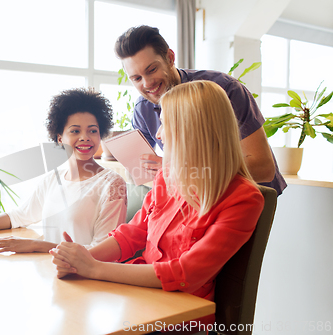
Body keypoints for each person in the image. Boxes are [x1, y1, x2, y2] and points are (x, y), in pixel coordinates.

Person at [50, 81, 265, 329]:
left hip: (180, 318)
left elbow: (186, 274)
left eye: (165, 124)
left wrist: (94, 268)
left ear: (191, 131)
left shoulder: (243, 198)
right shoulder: (167, 176)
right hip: (138, 298)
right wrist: (82, 260)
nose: (159, 134)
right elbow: (133, 234)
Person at [0, 87, 127, 253]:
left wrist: (36, 245)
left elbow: (102, 251)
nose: (85, 137)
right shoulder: (54, 179)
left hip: (87, 281)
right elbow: (20, 215)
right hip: (52, 273)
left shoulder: (112, 184)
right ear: (60, 138)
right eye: (75, 131)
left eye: (92, 130)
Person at [115, 25, 286, 195]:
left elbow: (263, 168)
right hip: (195, 198)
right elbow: (137, 173)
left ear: (170, 58)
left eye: (152, 70)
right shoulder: (143, 109)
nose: (147, 84)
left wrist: (180, 170)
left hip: (246, 195)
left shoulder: (224, 90)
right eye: (136, 78)